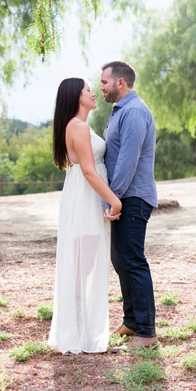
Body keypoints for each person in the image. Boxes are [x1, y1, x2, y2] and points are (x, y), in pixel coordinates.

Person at [48, 77, 122, 354]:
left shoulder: (80, 126)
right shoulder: (77, 127)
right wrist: (115, 202)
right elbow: (89, 170)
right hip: (85, 197)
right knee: (83, 267)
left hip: (86, 195)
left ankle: (83, 331)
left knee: (86, 265)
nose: (93, 93)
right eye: (88, 90)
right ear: (76, 96)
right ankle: (79, 333)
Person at [100, 61, 159, 350]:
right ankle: (132, 321)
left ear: (120, 82)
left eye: (104, 82)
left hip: (131, 197)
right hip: (123, 197)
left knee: (133, 261)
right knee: (121, 260)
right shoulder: (121, 111)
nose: (101, 87)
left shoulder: (134, 112)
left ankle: (147, 333)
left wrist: (114, 198)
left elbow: (128, 160)